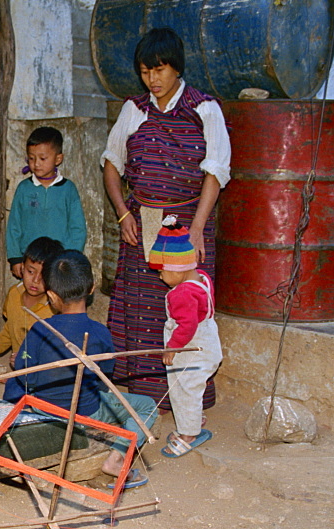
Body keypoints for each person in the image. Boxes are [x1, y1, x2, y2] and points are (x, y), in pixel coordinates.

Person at [101, 27, 230, 412]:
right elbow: (111, 165)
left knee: (182, 309)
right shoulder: (134, 110)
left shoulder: (204, 109)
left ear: (176, 67)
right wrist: (123, 212)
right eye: (145, 72)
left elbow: (216, 172)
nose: (152, 80)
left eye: (159, 70)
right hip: (142, 223)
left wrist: (196, 228)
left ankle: (185, 402)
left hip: (188, 223)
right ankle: (137, 397)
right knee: (139, 313)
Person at [3, 250, 157, 486]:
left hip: (43, 410)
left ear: (52, 296)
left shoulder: (40, 329)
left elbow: (25, 375)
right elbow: (105, 373)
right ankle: (115, 461)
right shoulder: (99, 332)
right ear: (92, 288)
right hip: (86, 413)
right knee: (147, 406)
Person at [148, 220, 223, 457]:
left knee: (184, 388)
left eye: (162, 271)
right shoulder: (200, 278)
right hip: (208, 343)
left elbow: (187, 325)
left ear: (177, 268)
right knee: (194, 386)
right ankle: (194, 417)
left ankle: (189, 433)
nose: (160, 277)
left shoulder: (181, 293)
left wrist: (172, 348)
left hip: (190, 347)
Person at [0, 236, 64, 368]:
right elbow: (10, 329)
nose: (36, 280)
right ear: (22, 268)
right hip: (19, 369)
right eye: (31, 271)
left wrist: (27, 360)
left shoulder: (55, 308)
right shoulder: (14, 294)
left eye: (44, 276)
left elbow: (55, 351)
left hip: (42, 373)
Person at [6, 126, 87, 279]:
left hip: (59, 261)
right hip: (30, 260)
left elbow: (78, 228)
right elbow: (14, 226)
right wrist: (15, 258)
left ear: (58, 159)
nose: (36, 164)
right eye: (31, 158)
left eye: (43, 159)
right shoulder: (24, 189)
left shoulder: (68, 189)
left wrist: (68, 258)